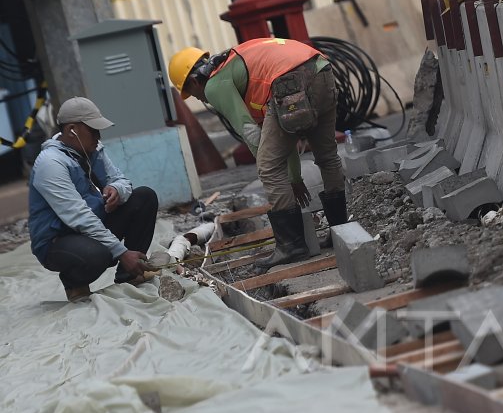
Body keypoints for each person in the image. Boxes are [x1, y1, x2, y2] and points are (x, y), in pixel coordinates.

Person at [168, 38, 348, 273]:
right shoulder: (239, 67)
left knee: (268, 165)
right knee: (326, 155)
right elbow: (284, 137)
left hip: (289, 81)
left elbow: (251, 133)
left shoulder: (214, 85)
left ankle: (292, 245)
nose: (199, 99)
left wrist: (267, 161)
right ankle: (341, 231)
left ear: (194, 80)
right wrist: (293, 179)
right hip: (321, 68)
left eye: (191, 93)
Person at [28, 97, 158, 302]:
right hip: (58, 240)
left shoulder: (92, 150)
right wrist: (121, 251)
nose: (98, 136)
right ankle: (74, 282)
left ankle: (130, 274)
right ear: (72, 130)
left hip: (88, 226)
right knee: (100, 254)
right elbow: (78, 216)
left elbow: (121, 180)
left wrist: (116, 190)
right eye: (93, 131)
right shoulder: (51, 163)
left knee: (144, 197)